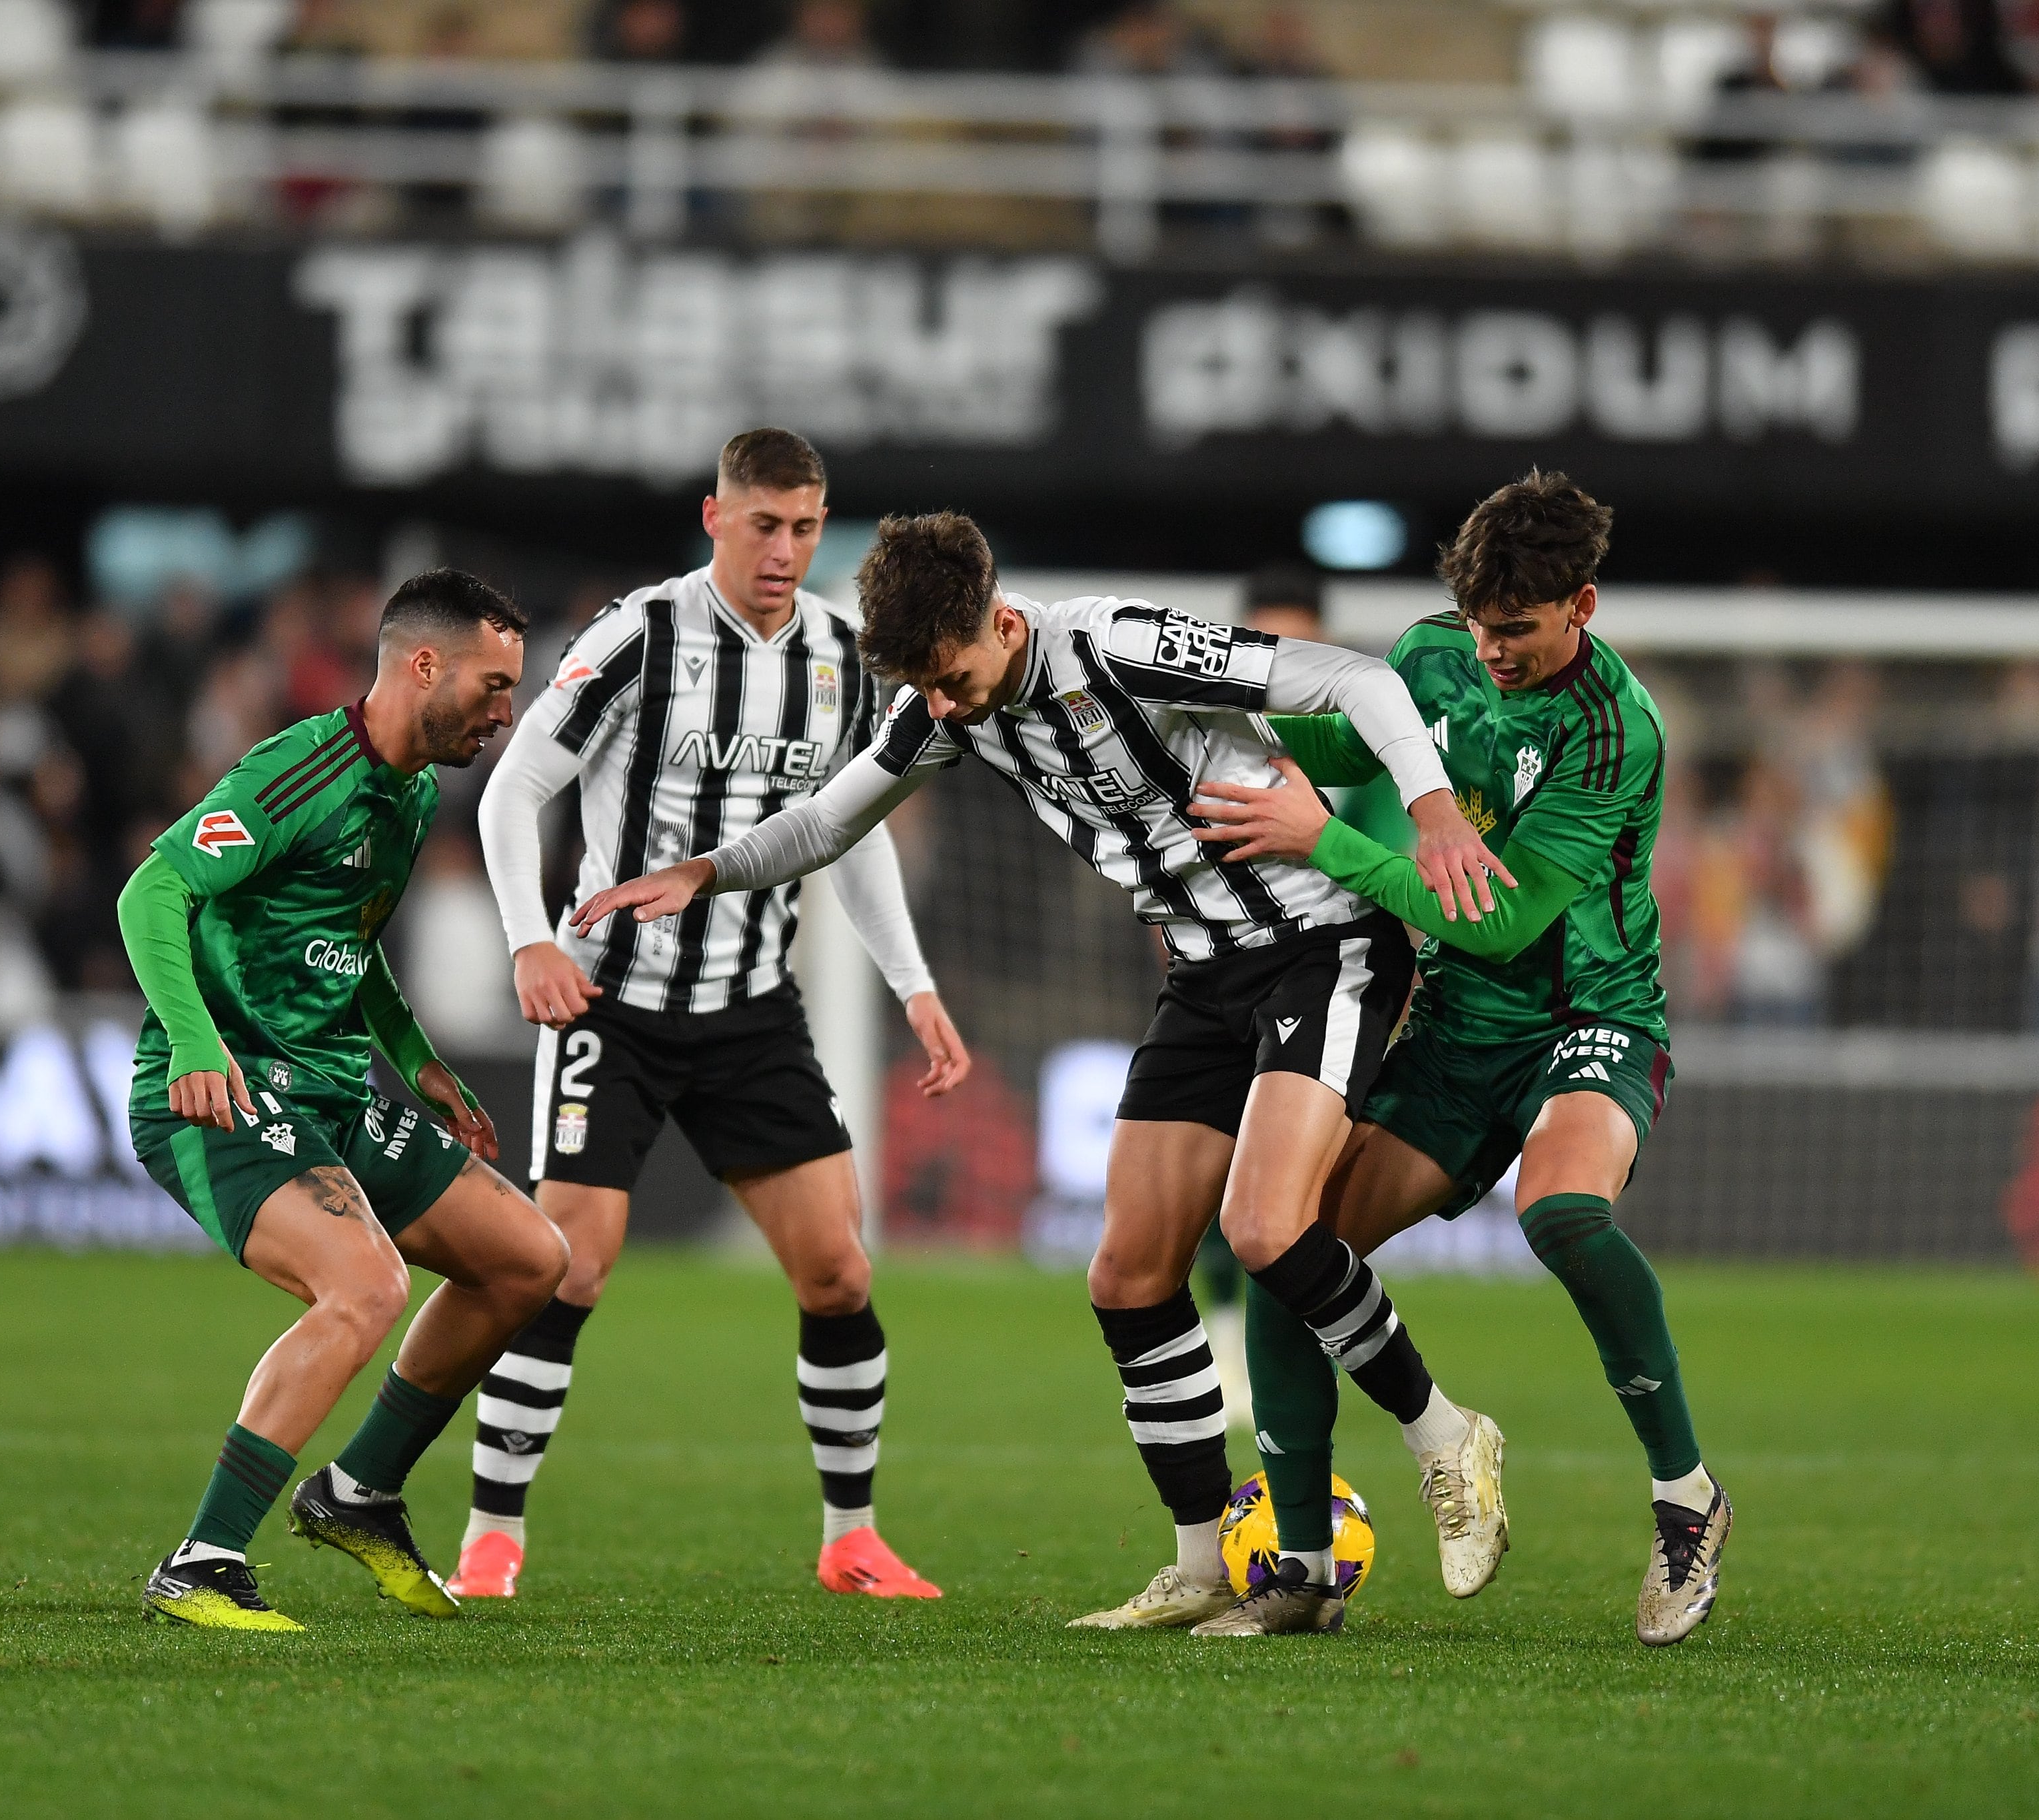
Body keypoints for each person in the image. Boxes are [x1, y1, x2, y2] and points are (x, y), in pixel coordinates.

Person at [572, 510, 1515, 1637]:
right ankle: (1207, 1562)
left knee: (1264, 1228)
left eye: (957, 676)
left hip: (1320, 946)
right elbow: (826, 822)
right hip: (1206, 980)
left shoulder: (1117, 644)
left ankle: (1444, 1435)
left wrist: (1436, 811)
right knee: (1126, 1275)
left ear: (1000, 620)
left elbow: (1354, 682)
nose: (948, 704)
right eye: (927, 687)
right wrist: (704, 872)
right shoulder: (943, 709)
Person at [1188, 470, 1730, 1645]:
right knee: (1287, 1243)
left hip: (1591, 1012)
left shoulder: (1615, 732)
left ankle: (1686, 1499)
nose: (1493, 652)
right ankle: (1300, 1569)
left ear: (1580, 604)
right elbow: (1346, 740)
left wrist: (1318, 839)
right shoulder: (1433, 651)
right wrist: (1225, 723)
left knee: (1562, 1216)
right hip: (1456, 1033)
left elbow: (1496, 920)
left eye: (1520, 630)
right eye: (1480, 624)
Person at [459, 429, 968, 1603]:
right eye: (764, 526)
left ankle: (852, 1535)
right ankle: (493, 1534)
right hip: (611, 1003)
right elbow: (514, 787)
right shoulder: (641, 634)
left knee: (838, 1270)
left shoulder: (845, 654)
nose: (786, 551)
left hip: (750, 1010)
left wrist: (913, 984)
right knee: (564, 1269)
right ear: (715, 518)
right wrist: (530, 939)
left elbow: (849, 830)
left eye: (804, 528)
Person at [121, 568, 571, 1633]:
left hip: (330, 1081)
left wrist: (414, 1052)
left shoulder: (411, 793)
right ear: (424, 665)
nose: (506, 712)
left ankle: (357, 1493)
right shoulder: (298, 771)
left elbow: (347, 938)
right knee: (366, 1287)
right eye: (494, 684)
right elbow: (156, 887)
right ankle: (203, 1557)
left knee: (531, 1258)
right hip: (222, 1087)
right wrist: (192, 1040)